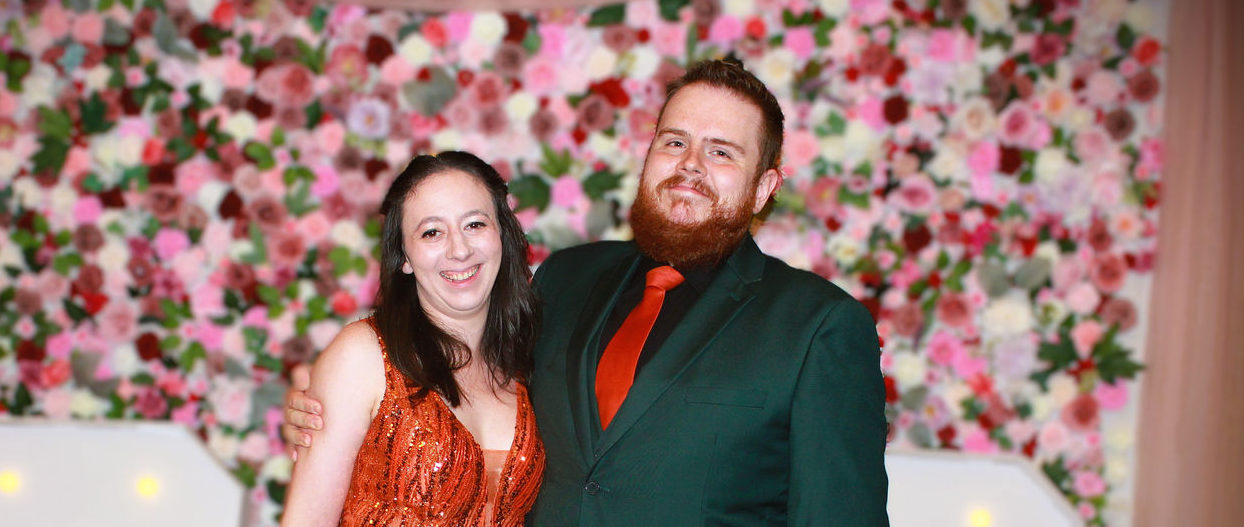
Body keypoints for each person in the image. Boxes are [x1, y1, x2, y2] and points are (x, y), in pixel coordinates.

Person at [285, 59, 888, 525]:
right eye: (674, 141)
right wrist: (342, 417)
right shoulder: (567, 278)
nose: (690, 164)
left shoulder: (818, 327)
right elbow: (467, 382)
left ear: (763, 188)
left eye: (722, 151)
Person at [280, 151, 546, 526]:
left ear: (501, 234)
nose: (459, 250)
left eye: (474, 224)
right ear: (404, 255)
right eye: (432, 232)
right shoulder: (364, 355)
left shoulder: (530, 359)